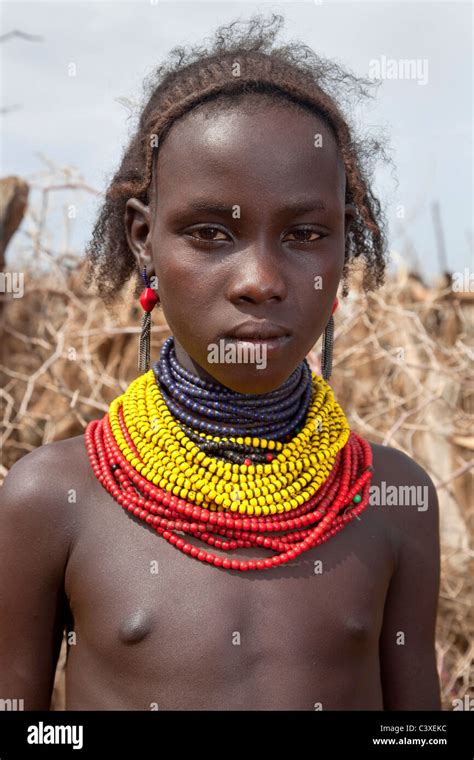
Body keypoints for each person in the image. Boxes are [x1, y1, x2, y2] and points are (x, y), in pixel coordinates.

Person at [0, 14, 441, 711]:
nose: (259, 279)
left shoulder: (392, 501)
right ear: (143, 239)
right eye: (210, 233)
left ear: (343, 250)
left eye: (305, 234)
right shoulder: (51, 499)